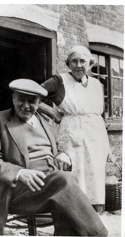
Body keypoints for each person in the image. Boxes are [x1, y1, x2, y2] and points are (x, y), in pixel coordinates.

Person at [0, 79, 108, 236]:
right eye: (21, 99)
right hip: (18, 190)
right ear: (13, 98)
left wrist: (63, 154)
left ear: (40, 102)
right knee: (65, 181)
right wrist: (20, 173)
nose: (26, 106)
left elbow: (57, 150)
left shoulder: (47, 123)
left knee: (65, 187)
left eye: (32, 101)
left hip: (50, 184)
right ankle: (100, 235)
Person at [41, 45, 110, 210]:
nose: (78, 65)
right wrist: (52, 112)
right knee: (74, 172)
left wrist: (107, 145)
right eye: (74, 61)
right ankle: (75, 214)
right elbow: (31, 94)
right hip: (72, 132)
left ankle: (95, 217)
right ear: (68, 64)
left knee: (96, 176)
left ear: (90, 64)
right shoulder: (59, 81)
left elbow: (99, 114)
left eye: (82, 61)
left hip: (96, 135)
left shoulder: (96, 84)